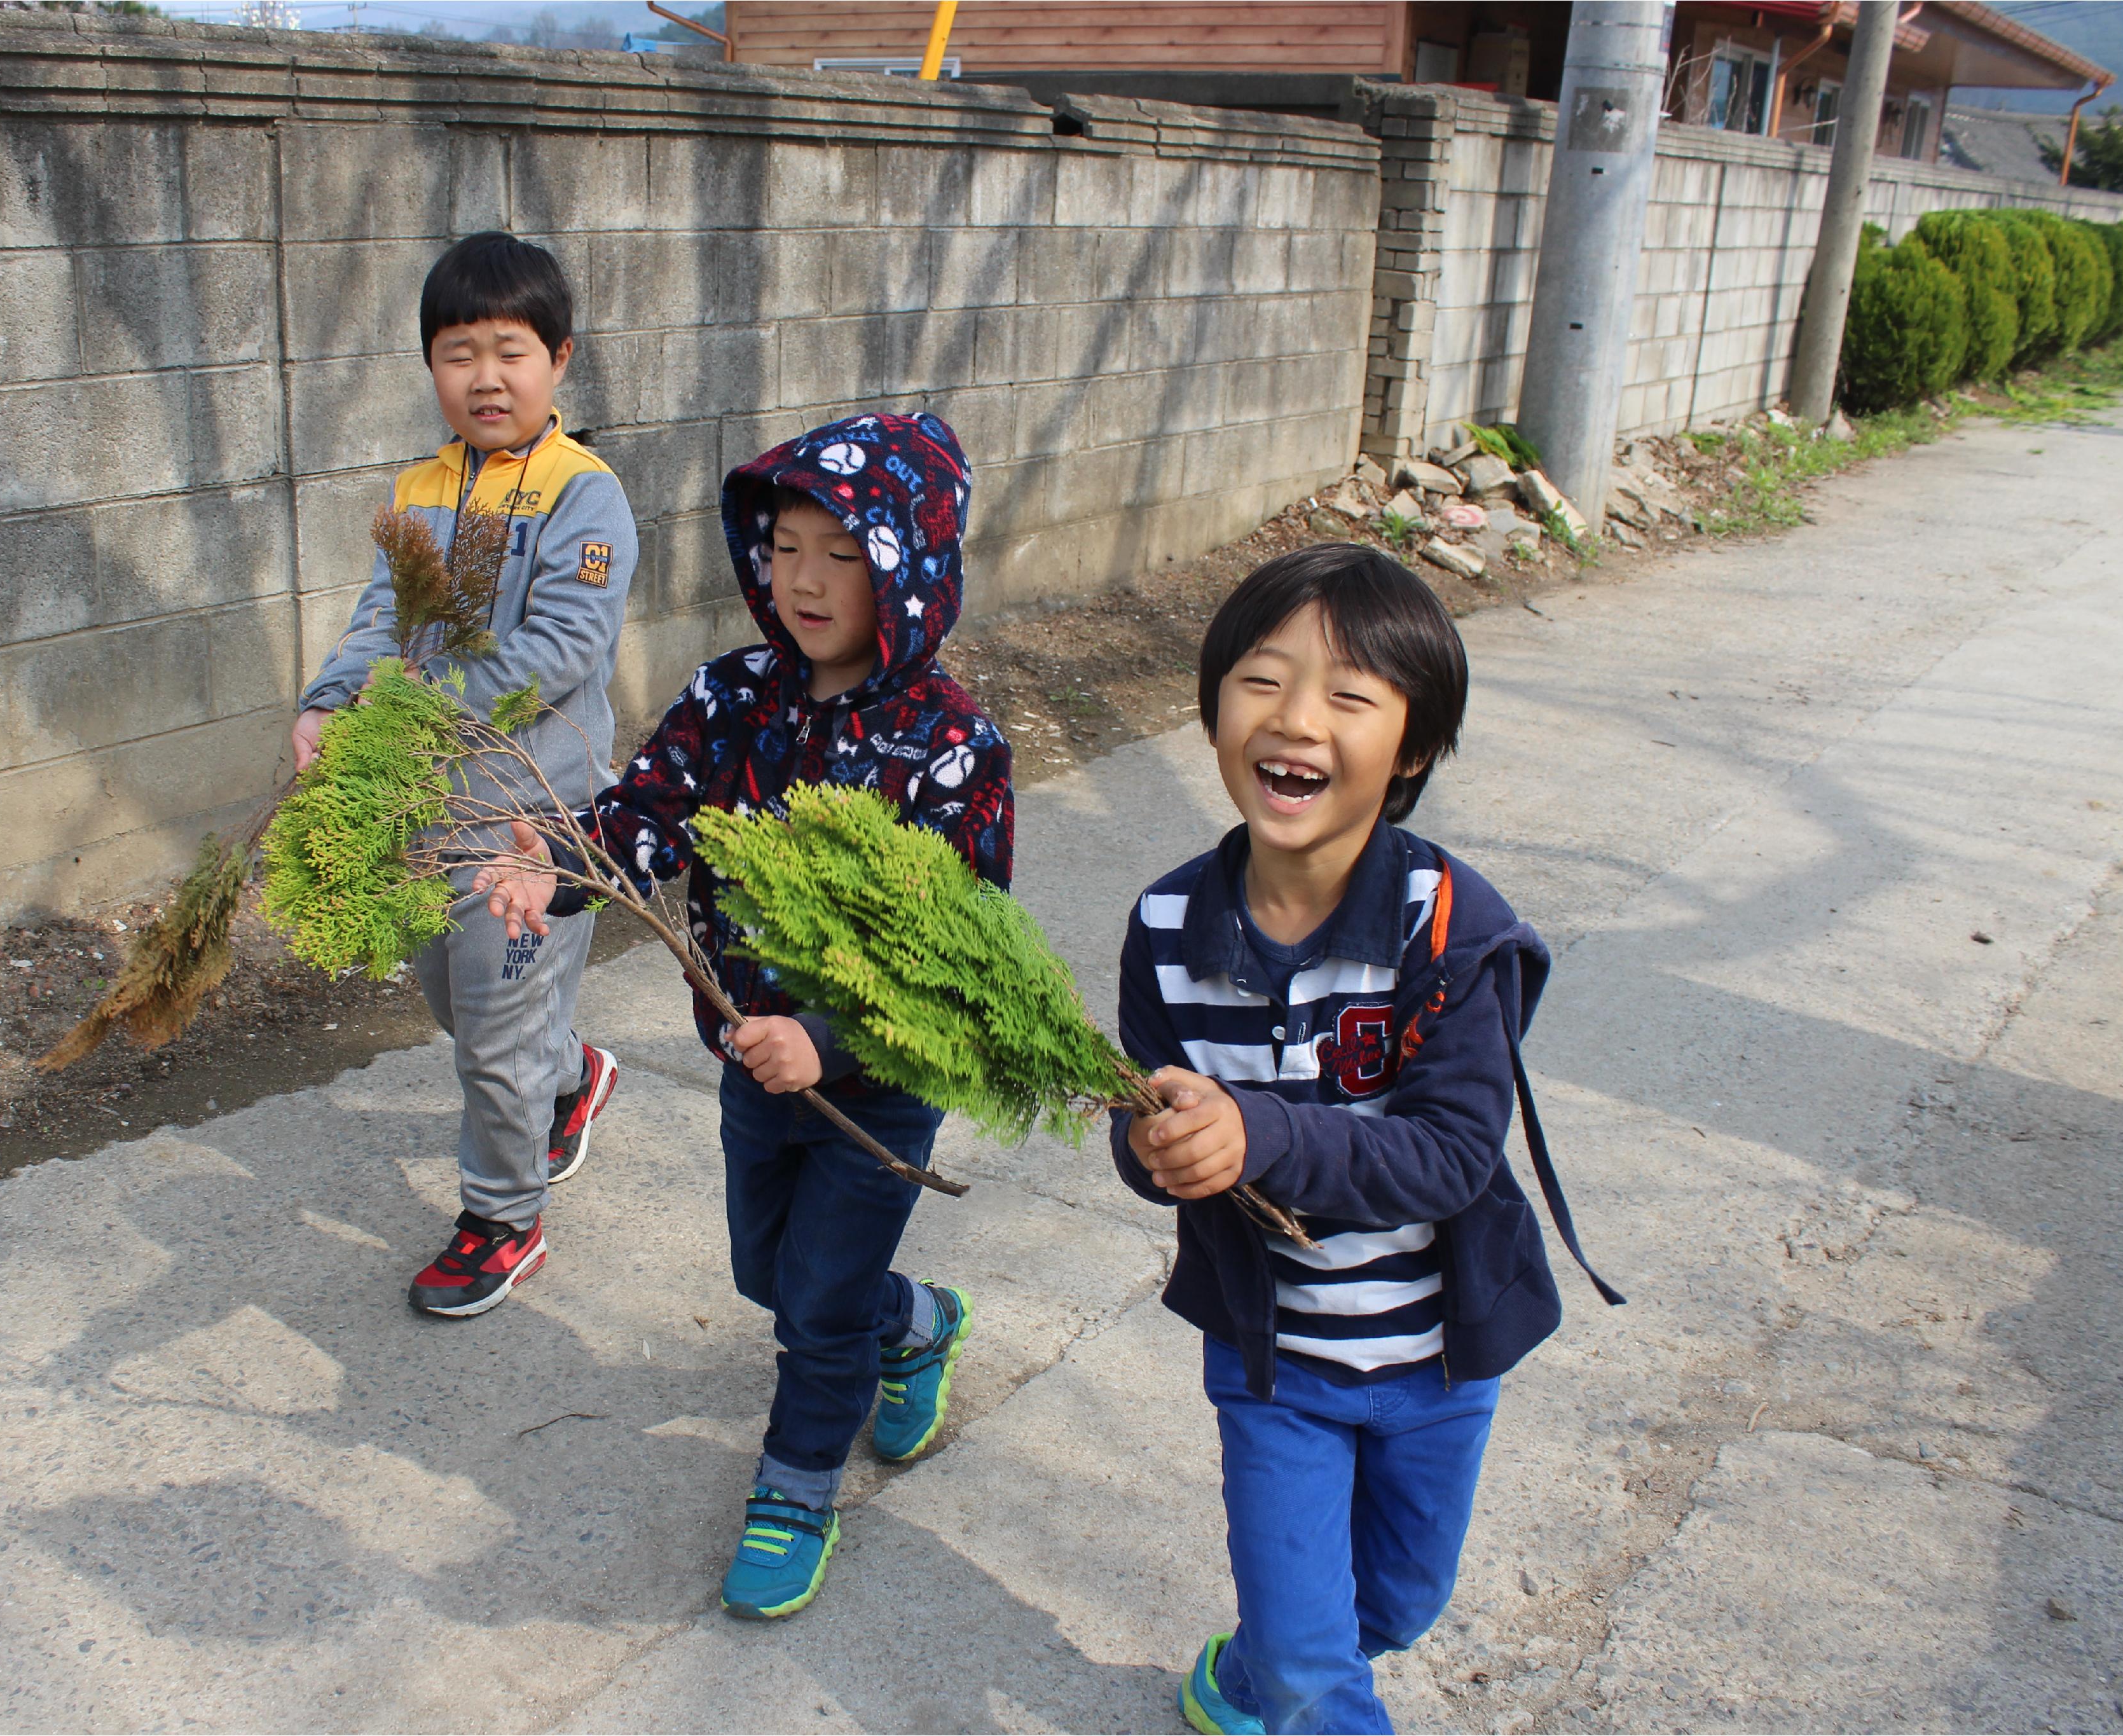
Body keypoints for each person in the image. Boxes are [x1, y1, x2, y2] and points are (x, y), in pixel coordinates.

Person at [476, 411, 1013, 1620]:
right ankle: (917, 1323)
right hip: (745, 1055)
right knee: (770, 1269)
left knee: (817, 1306)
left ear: (910, 566)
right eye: (785, 546)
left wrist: (826, 1038)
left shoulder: (950, 748)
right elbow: (649, 815)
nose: (805, 580)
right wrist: (560, 867)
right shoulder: (737, 695)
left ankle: (795, 1485)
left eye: (843, 552)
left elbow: (956, 959)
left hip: (876, 1076)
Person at [1111, 544, 1621, 1735]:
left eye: (1349, 697)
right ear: (1214, 705)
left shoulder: (1452, 925)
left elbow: (1450, 1154)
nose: (1296, 721)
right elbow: (1148, 1124)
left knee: (1398, 1599)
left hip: (1438, 1361)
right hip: (1273, 1367)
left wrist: (1261, 1136)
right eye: (1262, 681)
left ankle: (1251, 1674)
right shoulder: (1168, 924)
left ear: (1414, 748)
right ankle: (1286, 1675)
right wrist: (1159, 1154)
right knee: (1315, 1662)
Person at [295, 231, 635, 1319]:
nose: (485, 377)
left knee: (493, 1026)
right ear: (430, 365)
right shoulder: (422, 487)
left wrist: (416, 707)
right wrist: (331, 698)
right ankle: (569, 1075)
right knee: (454, 994)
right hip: (430, 800)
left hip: (535, 817)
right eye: (457, 352)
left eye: (510, 350)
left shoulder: (586, 498)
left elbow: (562, 647)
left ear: (560, 359)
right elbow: (382, 619)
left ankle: (502, 1215)